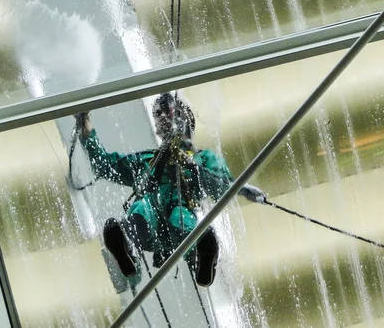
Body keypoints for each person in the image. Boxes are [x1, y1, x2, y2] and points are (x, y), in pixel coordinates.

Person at [75, 92, 265, 287]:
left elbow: (221, 184)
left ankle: (201, 258)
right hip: (150, 227)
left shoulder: (202, 159)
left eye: (167, 112)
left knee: (179, 218)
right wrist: (85, 125)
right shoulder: (147, 161)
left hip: (179, 221)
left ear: (185, 118)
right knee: (142, 208)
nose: (162, 117)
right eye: (158, 113)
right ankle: (126, 247)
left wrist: (241, 188)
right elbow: (106, 165)